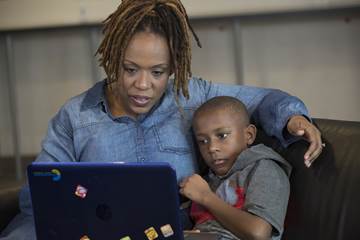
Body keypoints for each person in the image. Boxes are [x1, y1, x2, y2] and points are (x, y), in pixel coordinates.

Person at [0, 0, 323, 239]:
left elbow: (262, 99)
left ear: (173, 69)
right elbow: (39, 201)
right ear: (112, 59)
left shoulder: (191, 96)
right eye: (130, 69)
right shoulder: (74, 116)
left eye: (157, 72)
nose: (143, 85)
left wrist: (293, 117)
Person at [180, 96, 291, 240]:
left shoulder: (264, 169)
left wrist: (206, 197)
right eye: (203, 141)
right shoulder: (209, 179)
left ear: (249, 135)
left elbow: (258, 233)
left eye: (222, 135)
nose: (212, 148)